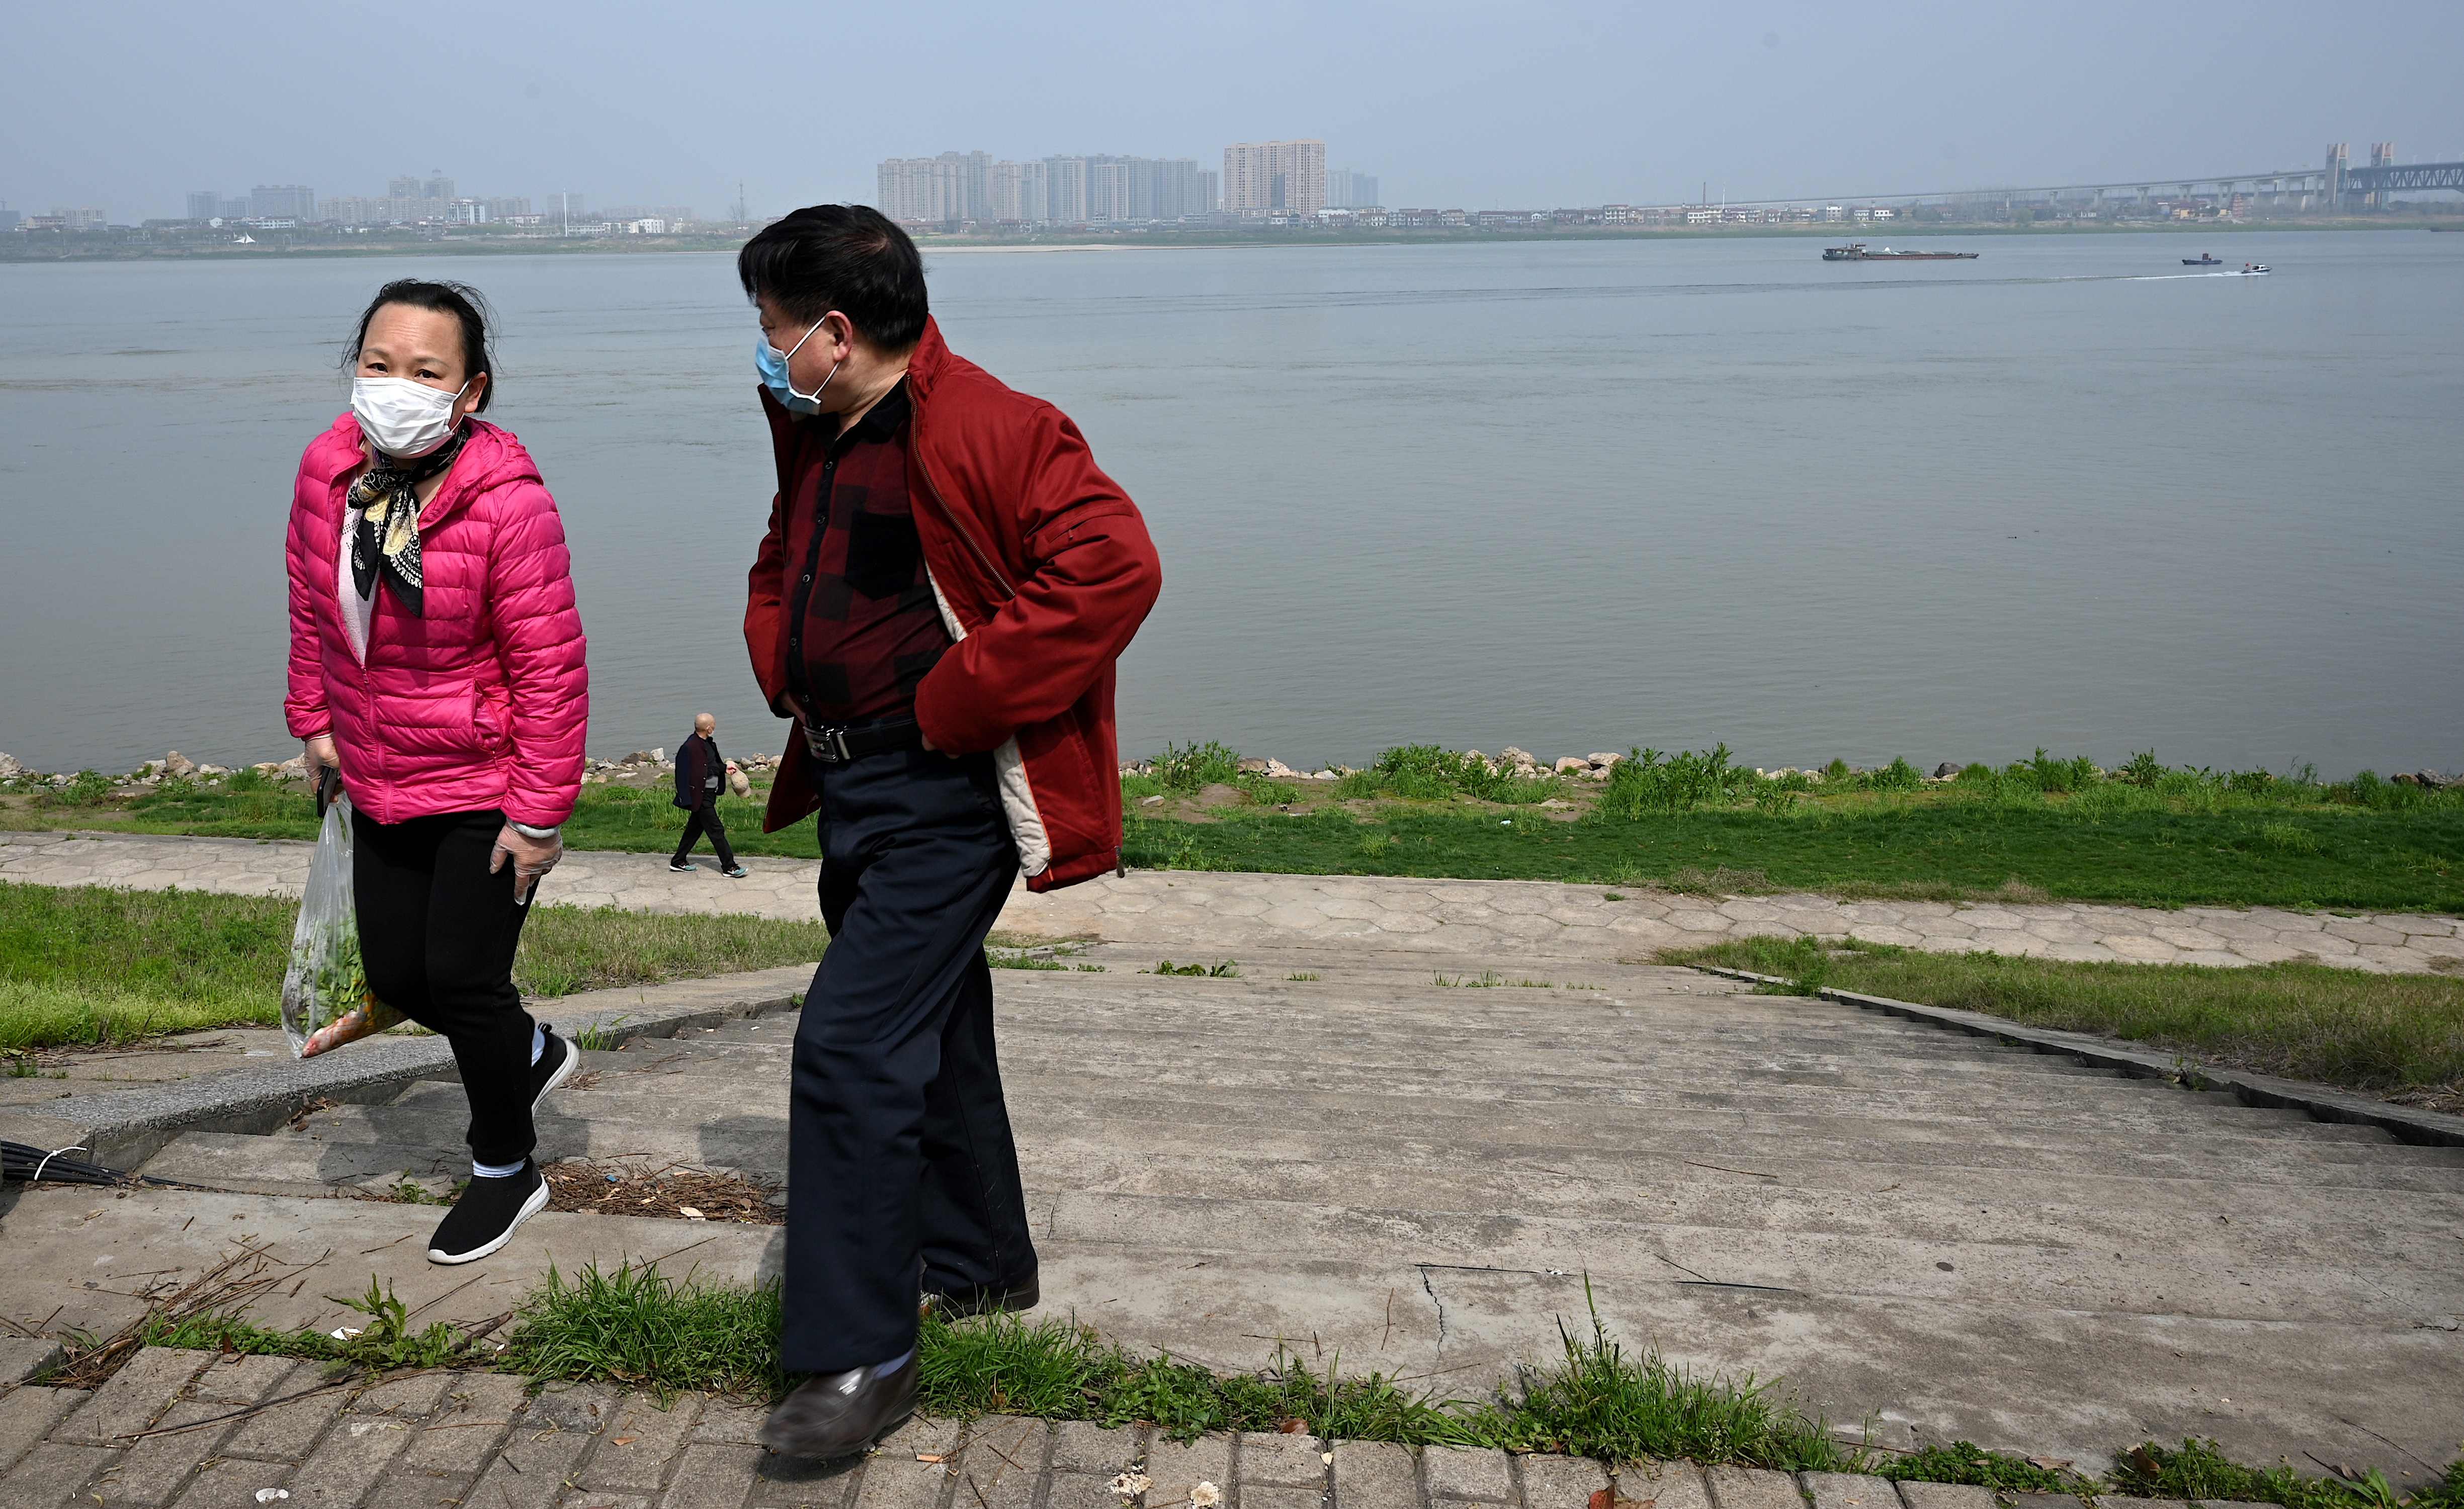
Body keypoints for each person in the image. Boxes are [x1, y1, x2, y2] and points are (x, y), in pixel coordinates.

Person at [736, 206, 1161, 1458]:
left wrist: (957, 700)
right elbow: (784, 558)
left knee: (850, 1045)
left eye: (771, 329)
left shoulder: (990, 424)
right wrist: (777, 653)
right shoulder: (818, 423)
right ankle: (977, 1262)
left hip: (943, 796)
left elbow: (1113, 566)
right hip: (849, 784)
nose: (762, 352)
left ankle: (858, 1355)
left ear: (832, 329)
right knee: (934, 1029)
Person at [283, 279, 590, 1266]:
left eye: (426, 371)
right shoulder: (328, 474)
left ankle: (507, 1169)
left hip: (482, 782)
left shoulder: (510, 506)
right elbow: (309, 605)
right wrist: (314, 723)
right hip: (376, 771)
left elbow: (551, 670)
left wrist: (539, 817)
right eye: (378, 365)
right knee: (400, 976)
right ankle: (534, 1054)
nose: (395, 386)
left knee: (463, 977)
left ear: (470, 394)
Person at [671, 713, 748, 876]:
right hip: (700, 796)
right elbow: (684, 774)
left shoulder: (709, 744)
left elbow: (712, 765)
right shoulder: (690, 747)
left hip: (710, 794)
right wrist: (685, 799)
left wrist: (724, 768)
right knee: (716, 830)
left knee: (694, 830)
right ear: (708, 728)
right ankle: (730, 867)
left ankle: (678, 861)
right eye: (713, 725)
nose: (714, 727)